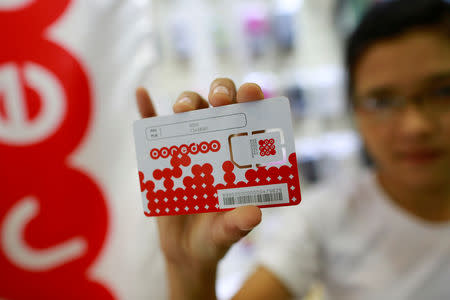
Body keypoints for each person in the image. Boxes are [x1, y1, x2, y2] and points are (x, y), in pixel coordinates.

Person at [135, 0, 450, 299]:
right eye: (382, 100)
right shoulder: (325, 217)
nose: (415, 126)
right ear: (355, 110)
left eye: (441, 91)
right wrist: (190, 274)